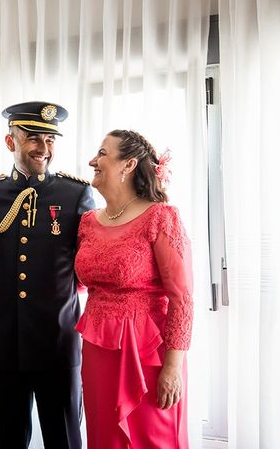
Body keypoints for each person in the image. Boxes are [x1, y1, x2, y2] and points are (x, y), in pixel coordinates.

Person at [0, 102, 94, 449]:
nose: (43, 149)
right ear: (11, 142)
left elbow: (96, 258)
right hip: (4, 343)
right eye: (33, 139)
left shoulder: (75, 194)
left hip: (58, 340)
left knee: (64, 439)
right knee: (7, 440)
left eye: (50, 140)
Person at [75, 129, 193, 448]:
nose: (92, 161)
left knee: (153, 437)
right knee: (104, 437)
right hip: (98, 350)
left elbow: (182, 300)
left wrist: (173, 368)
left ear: (127, 165)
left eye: (102, 153)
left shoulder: (161, 217)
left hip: (148, 355)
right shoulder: (87, 222)